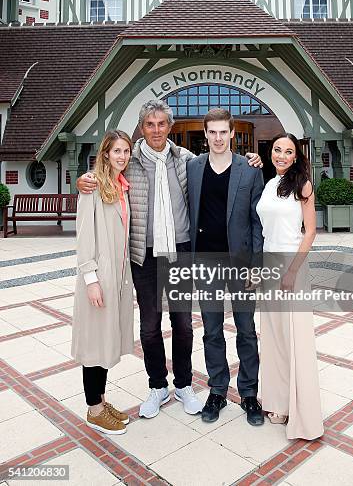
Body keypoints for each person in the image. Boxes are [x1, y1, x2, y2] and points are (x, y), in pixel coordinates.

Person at [77, 100, 262, 420]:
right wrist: (85, 179)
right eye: (150, 124)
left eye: (162, 123)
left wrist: (253, 158)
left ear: (170, 127)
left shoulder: (186, 160)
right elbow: (103, 171)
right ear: (142, 128)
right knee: (149, 326)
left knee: (184, 324)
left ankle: (185, 385)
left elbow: (229, 177)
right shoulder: (128, 160)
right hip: (144, 255)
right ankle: (157, 386)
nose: (156, 130)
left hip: (181, 252)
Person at [187, 108, 265, 426]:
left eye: (223, 132)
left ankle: (248, 394)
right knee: (211, 331)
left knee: (246, 331)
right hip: (206, 260)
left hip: (241, 262)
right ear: (205, 135)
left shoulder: (249, 169)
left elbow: (258, 222)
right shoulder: (192, 167)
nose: (218, 138)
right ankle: (217, 390)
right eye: (212, 132)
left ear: (232, 133)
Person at [256, 133, 324, 440]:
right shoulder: (270, 184)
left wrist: (292, 272)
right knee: (273, 337)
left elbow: (310, 232)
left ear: (296, 156)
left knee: (294, 338)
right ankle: (279, 402)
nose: (281, 155)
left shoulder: (303, 185)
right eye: (277, 150)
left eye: (288, 151)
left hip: (291, 265)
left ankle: (302, 413)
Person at [71, 130, 134, 435]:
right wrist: (91, 279)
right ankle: (94, 410)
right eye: (117, 151)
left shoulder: (121, 186)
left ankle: (102, 400)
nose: (122, 156)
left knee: (107, 341)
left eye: (126, 151)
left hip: (117, 279)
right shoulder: (92, 186)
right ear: (106, 153)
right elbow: (84, 236)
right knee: (95, 344)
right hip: (98, 280)